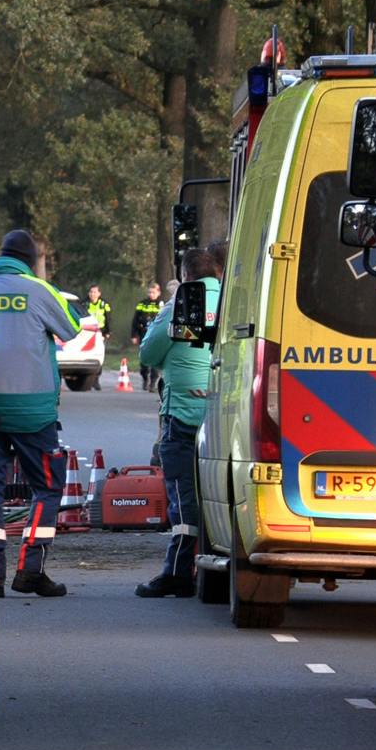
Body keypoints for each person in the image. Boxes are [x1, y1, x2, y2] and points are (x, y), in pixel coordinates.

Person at [0, 229, 81, 597]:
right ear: (31, 261)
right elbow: (71, 327)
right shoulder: (39, 290)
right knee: (47, 487)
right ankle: (31, 569)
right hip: (34, 412)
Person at [135, 247, 221, 597]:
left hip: (184, 415)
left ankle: (177, 572)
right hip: (225, 418)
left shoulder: (179, 307)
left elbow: (149, 354)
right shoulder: (237, 302)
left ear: (185, 276)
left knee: (184, 499)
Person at [131, 282, 163, 390]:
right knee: (143, 359)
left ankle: (153, 382)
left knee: (155, 360)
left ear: (158, 293)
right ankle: (145, 378)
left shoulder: (162, 305)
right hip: (143, 335)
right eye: (149, 292)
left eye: (153, 292)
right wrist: (134, 335)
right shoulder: (142, 304)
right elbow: (135, 320)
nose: (151, 294)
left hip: (157, 336)